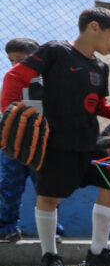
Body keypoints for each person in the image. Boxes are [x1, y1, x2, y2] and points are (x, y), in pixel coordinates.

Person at [0, 7, 110, 266]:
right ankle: (50, 257)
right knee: (49, 197)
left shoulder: (100, 67)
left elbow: (98, 104)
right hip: (56, 141)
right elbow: (15, 77)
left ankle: (98, 253)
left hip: (90, 141)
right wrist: (7, 113)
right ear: (94, 27)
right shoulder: (56, 51)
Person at [0, 38, 67, 243]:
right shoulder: (12, 79)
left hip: (44, 145)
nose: (15, 65)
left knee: (47, 187)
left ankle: (52, 231)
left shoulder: (53, 81)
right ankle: (6, 228)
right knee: (9, 185)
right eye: (11, 60)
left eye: (20, 60)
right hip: (14, 144)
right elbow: (6, 109)